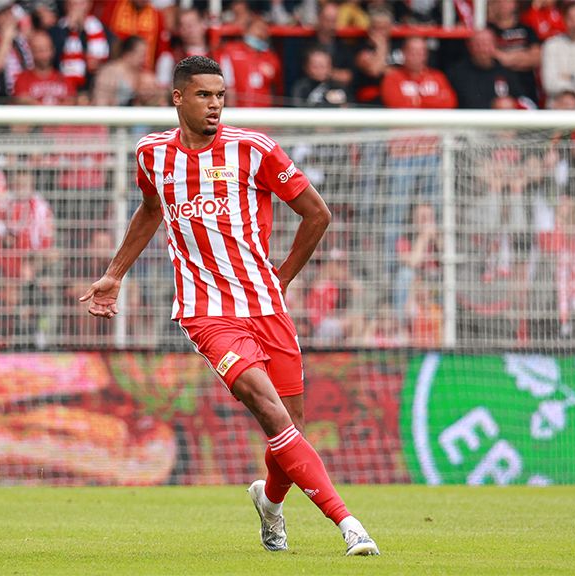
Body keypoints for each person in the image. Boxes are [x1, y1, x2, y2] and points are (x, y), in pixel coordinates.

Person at [80, 55, 380, 556]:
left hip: (265, 308)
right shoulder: (151, 154)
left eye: (220, 95)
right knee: (270, 410)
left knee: (291, 426)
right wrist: (115, 273)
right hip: (206, 313)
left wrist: (280, 279)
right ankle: (349, 524)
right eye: (204, 95)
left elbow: (317, 214)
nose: (215, 104)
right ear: (178, 98)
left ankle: (269, 502)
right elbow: (151, 210)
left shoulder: (254, 149)